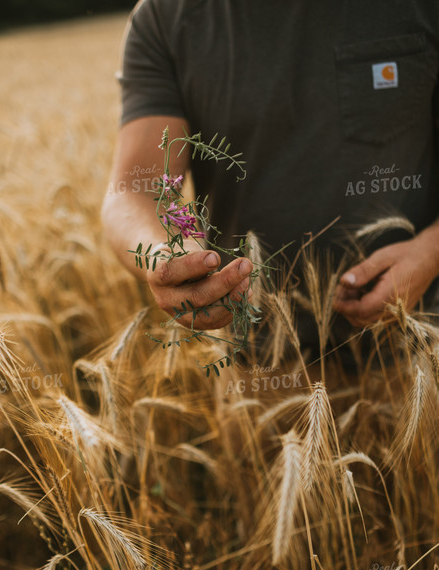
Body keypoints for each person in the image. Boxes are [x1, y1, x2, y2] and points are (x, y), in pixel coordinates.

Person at [102, 0, 439, 351]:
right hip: (256, 367)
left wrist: (431, 252)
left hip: (423, 349)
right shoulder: (166, 16)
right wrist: (162, 254)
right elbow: (134, 190)